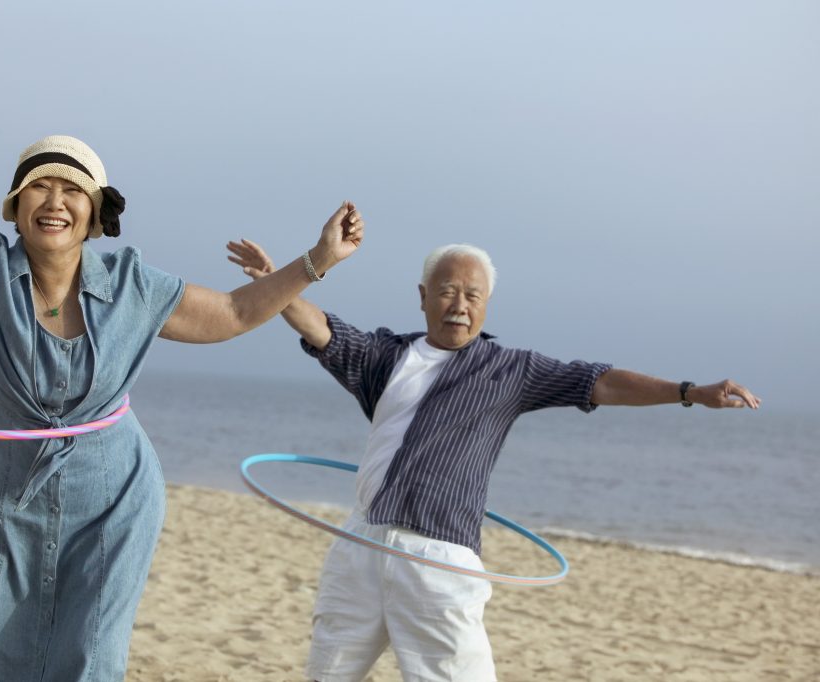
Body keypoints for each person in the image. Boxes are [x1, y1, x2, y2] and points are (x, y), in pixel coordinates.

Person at [0, 67, 364, 680]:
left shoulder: (133, 286)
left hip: (112, 503)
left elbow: (233, 312)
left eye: (72, 191)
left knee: (89, 655)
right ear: (15, 204)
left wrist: (318, 259)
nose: (54, 202)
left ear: (95, 212)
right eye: (39, 188)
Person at [226, 238, 759, 682]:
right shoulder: (384, 356)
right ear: (423, 297)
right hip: (361, 546)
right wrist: (280, 279)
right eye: (448, 291)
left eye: (472, 295)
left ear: (486, 304)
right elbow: (318, 326)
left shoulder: (512, 371)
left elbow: (600, 381)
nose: (460, 304)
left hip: (439, 562)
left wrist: (689, 391)